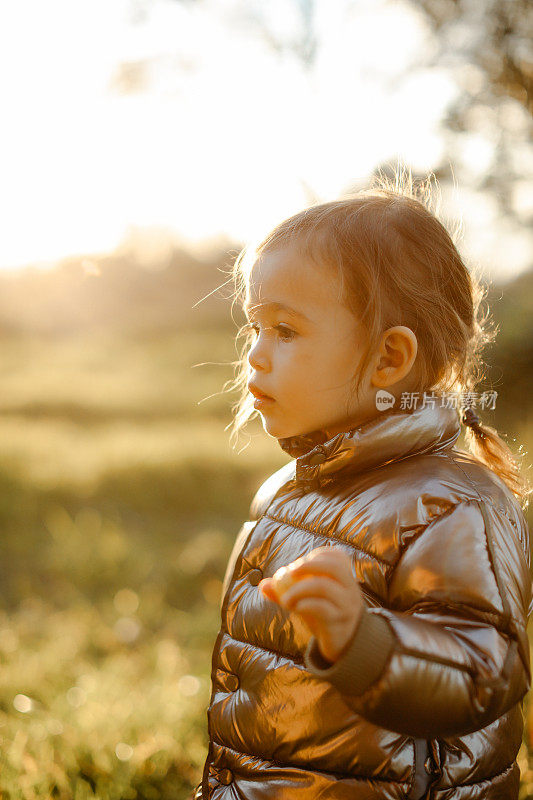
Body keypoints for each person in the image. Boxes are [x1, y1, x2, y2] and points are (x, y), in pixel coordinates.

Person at [191, 170, 532, 799]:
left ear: (389, 359)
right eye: (254, 328)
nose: (255, 355)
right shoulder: (286, 491)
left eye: (286, 330)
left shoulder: (453, 507)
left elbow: (485, 672)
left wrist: (365, 642)